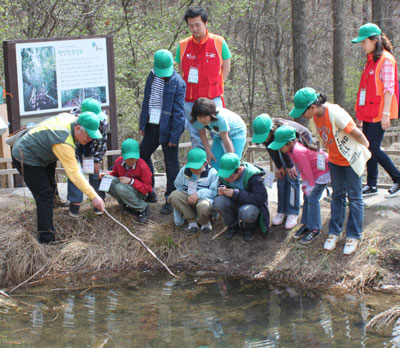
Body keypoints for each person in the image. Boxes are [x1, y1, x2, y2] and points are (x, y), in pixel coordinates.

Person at [290, 87, 371, 255]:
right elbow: (322, 139)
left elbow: (356, 133)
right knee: (337, 195)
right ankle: (335, 232)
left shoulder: (334, 113)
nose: (301, 115)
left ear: (312, 107)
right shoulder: (314, 119)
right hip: (334, 160)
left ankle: (354, 235)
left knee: (355, 197)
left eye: (302, 111)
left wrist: (365, 150)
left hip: (350, 159)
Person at [11, 112, 105, 244]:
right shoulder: (63, 141)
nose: (90, 139)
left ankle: (54, 204)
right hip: (26, 155)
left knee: (49, 186)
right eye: (88, 135)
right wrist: (94, 196)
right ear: (78, 128)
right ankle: (47, 239)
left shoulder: (71, 120)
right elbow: (74, 173)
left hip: (43, 153)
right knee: (44, 195)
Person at [352, 23, 400, 198]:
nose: (362, 46)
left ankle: (398, 178)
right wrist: (360, 114)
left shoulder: (386, 60)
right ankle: (372, 185)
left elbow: (389, 89)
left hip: (380, 112)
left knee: (373, 147)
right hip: (369, 112)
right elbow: (364, 89)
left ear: (374, 40)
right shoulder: (371, 60)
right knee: (367, 145)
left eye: (364, 42)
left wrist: (386, 114)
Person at [176, 5, 232, 148]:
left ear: (205, 23)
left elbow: (226, 67)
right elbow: (181, 71)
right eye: (191, 25)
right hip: (190, 99)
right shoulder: (182, 45)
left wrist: (218, 85)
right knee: (196, 137)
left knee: (219, 133)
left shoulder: (219, 42)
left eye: (197, 25)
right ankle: (201, 167)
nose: (194, 29)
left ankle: (220, 165)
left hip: (213, 97)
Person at [139, 49, 186, 214]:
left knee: (171, 163)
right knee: (142, 155)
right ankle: (149, 191)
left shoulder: (178, 82)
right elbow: (147, 100)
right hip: (152, 124)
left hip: (169, 127)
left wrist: (174, 135)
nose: (163, 75)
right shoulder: (151, 76)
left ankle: (170, 199)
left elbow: (179, 113)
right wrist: (142, 124)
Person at [268, 126, 330, 245]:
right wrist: (307, 184)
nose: (279, 149)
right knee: (307, 198)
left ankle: (315, 228)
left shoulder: (298, 152)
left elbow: (306, 170)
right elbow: (304, 170)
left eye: (280, 145)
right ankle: (307, 224)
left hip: (321, 173)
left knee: (312, 199)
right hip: (313, 174)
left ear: (289, 143)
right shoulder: (291, 151)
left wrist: (309, 185)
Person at [252, 113, 313, 230]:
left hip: (297, 144)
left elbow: (288, 151)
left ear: (271, 130)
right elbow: (271, 149)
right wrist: (279, 166)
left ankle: (292, 212)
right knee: (281, 177)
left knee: (292, 177)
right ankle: (282, 211)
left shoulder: (282, 130)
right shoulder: (267, 135)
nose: (264, 138)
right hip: (285, 148)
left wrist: (290, 166)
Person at [214, 153, 269, 242]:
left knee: (247, 212)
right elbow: (223, 183)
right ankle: (232, 226)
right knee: (219, 202)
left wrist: (236, 194)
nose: (226, 179)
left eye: (230, 176)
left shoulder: (252, 175)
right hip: (235, 202)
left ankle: (249, 228)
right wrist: (222, 190)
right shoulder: (225, 175)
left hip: (251, 205)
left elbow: (260, 198)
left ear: (239, 169)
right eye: (224, 175)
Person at [67, 98, 108, 218]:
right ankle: (75, 202)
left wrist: (97, 159)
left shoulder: (102, 121)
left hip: (93, 143)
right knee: (74, 170)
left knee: (94, 171)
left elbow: (102, 141)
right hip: (76, 142)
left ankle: (98, 200)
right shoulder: (73, 121)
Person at [168, 148, 218, 233]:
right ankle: (192, 221)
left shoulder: (212, 173)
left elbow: (214, 193)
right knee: (173, 196)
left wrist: (198, 194)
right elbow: (178, 186)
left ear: (205, 163)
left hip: (204, 201)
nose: (194, 170)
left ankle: (204, 222)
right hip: (188, 199)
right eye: (192, 168)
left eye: (197, 167)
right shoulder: (184, 170)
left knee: (203, 206)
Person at [102, 139, 152, 224]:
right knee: (106, 179)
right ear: (122, 155)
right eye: (128, 158)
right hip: (124, 189)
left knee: (120, 187)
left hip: (138, 193)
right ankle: (125, 204)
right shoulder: (118, 162)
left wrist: (131, 181)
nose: (131, 161)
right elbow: (115, 174)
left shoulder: (143, 166)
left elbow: (148, 188)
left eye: (134, 158)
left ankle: (142, 207)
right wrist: (106, 174)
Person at [191, 97, 246, 169]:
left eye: (205, 117)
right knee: (214, 162)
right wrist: (208, 152)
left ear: (211, 114)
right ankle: (217, 180)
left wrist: (231, 158)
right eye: (199, 117)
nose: (202, 120)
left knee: (233, 163)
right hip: (218, 134)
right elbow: (202, 134)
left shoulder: (220, 117)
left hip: (237, 132)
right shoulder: (197, 120)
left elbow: (225, 138)